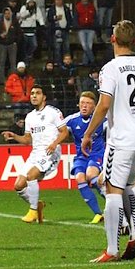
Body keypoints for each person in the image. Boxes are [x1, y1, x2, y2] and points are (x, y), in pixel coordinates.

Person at [81, 20, 135, 263]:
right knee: (129, 185)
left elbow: (103, 104)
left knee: (111, 189)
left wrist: (88, 133)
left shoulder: (111, 69)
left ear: (113, 39)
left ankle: (112, 249)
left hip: (122, 139)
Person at [1, 85, 64, 223]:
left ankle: (33, 211)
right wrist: (14, 136)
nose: (34, 96)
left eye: (38, 93)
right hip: (35, 153)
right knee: (18, 185)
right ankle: (37, 205)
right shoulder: (29, 117)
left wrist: (54, 143)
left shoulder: (53, 112)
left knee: (31, 176)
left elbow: (64, 132)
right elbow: (27, 140)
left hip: (50, 152)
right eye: (32, 93)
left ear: (44, 97)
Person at [51, 92, 107, 223]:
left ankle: (115, 203)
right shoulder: (72, 119)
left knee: (90, 175)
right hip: (81, 157)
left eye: (88, 103)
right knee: (80, 178)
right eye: (82, 103)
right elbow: (58, 130)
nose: (84, 106)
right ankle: (98, 214)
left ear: (94, 106)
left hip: (97, 154)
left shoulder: (102, 120)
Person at [75, 0, 97, 65]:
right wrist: (77, 26)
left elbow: (95, 17)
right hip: (81, 29)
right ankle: (93, 61)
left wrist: (94, 25)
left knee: (89, 46)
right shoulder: (77, 7)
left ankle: (85, 63)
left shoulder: (92, 6)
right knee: (84, 45)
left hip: (91, 28)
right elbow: (76, 18)